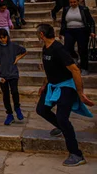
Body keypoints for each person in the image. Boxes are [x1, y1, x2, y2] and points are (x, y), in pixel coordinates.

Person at [35, 23, 94, 167]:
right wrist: (44, 85)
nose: (37, 35)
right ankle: (61, 127)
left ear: (42, 35)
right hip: (53, 85)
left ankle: (76, 154)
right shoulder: (46, 48)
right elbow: (49, 70)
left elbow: (75, 70)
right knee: (41, 109)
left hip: (66, 86)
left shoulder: (58, 49)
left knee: (62, 118)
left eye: (37, 33)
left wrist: (80, 93)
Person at [0, 28, 27, 125]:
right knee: (5, 95)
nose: (2, 39)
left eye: (4, 37)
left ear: (7, 36)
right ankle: (9, 114)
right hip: (2, 74)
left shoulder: (13, 46)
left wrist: (17, 58)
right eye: (0, 38)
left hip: (13, 73)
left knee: (15, 92)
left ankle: (17, 108)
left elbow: (24, 51)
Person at [60, 0, 96, 76]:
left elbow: (91, 21)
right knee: (67, 48)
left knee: (82, 50)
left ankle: (84, 68)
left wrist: (92, 32)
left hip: (82, 31)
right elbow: (63, 22)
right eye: (71, 2)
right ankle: (74, 58)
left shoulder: (84, 9)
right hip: (69, 31)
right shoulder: (66, 9)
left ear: (77, 2)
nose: (72, 4)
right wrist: (61, 32)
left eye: (74, 2)